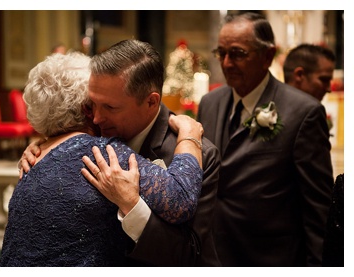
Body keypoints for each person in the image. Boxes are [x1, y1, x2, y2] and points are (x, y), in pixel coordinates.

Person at [20, 39, 222, 266]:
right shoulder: (93, 133)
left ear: (151, 102)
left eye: (110, 107)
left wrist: (133, 207)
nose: (96, 118)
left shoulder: (197, 152)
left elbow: (190, 254)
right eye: (92, 104)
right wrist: (47, 143)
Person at [198, 12, 332, 266]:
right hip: (213, 254)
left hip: (270, 257)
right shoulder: (209, 103)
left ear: (267, 56)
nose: (226, 63)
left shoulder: (303, 112)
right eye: (221, 53)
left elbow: (317, 206)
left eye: (237, 53)